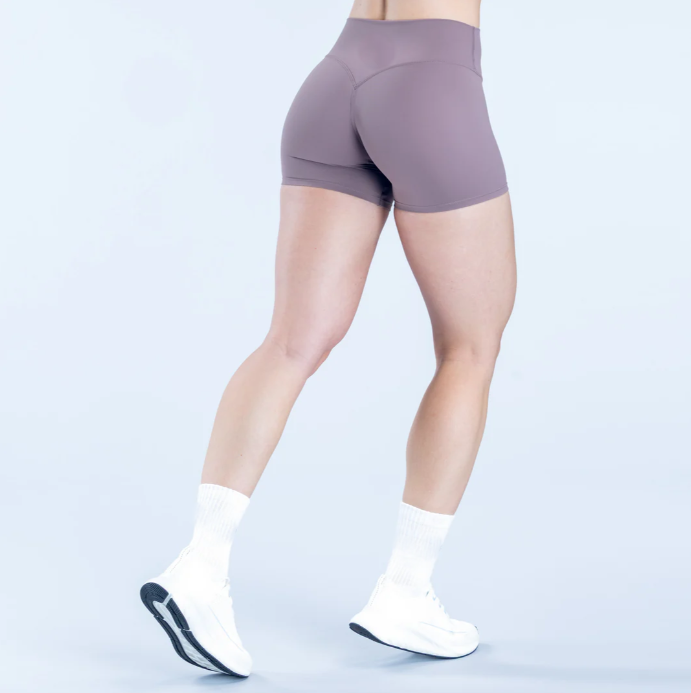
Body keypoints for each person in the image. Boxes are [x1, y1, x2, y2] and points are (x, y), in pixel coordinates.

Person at [140, 0, 516, 677]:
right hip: (431, 84)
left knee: (290, 341)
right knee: (470, 348)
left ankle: (199, 566)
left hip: (337, 76)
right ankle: (405, 590)